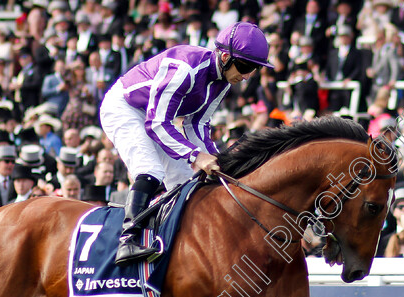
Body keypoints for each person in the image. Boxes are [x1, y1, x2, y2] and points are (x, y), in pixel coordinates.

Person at [100, 21, 274, 265]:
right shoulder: (185, 68)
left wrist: (218, 160)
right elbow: (157, 124)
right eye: (244, 66)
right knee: (151, 170)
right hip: (125, 107)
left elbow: (197, 125)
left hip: (157, 116)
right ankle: (127, 240)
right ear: (224, 56)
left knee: (185, 181)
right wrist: (196, 156)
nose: (246, 76)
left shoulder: (223, 80)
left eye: (253, 69)